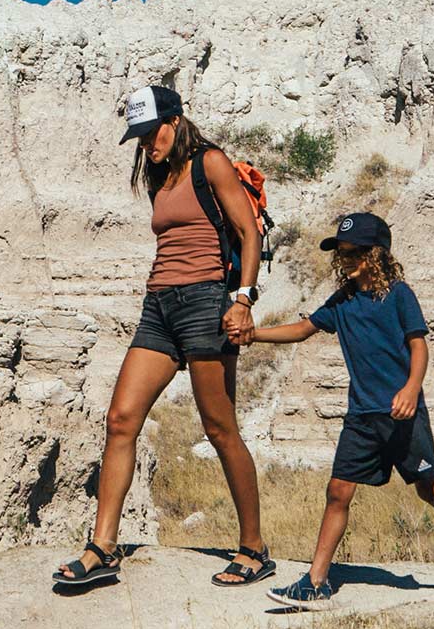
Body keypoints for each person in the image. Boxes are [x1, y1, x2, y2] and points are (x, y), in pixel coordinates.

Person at [53, 85, 273, 588]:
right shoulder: (158, 174)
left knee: (220, 429)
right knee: (120, 418)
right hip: (159, 306)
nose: (145, 143)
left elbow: (248, 232)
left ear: (174, 121)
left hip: (206, 303)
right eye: (138, 135)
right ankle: (102, 547)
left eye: (151, 132)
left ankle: (254, 549)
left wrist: (243, 299)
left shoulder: (210, 162)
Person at [227, 212, 434, 608]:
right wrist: (255, 335)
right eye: (341, 253)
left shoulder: (399, 295)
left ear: (378, 254)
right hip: (361, 417)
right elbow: (304, 329)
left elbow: (419, 346)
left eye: (355, 252)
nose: (347, 259)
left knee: (430, 490)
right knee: (338, 491)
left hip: (403, 415)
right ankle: (316, 582)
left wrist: (411, 389)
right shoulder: (344, 300)